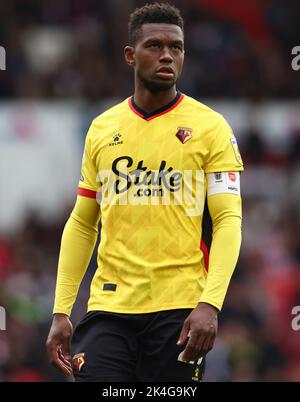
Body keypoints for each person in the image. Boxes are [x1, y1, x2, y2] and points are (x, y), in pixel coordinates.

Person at [46, 2, 243, 382]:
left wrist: (210, 304)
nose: (167, 55)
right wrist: (61, 310)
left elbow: (228, 220)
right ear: (130, 55)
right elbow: (84, 222)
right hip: (110, 308)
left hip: (181, 308)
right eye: (154, 45)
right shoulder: (103, 129)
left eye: (177, 47)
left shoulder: (211, 128)